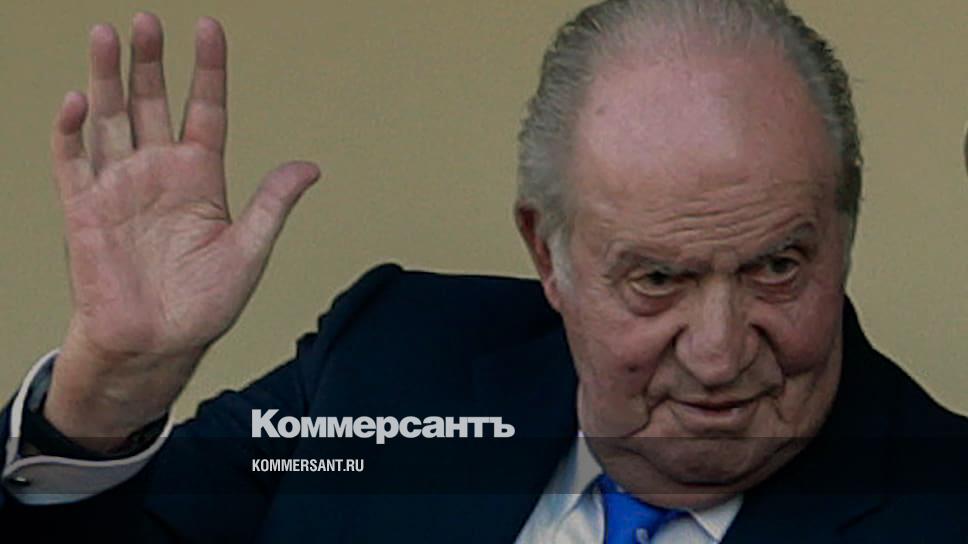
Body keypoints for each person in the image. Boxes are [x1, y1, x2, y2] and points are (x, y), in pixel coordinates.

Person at [1, 0, 966, 542]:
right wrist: (108, 395)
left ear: (843, 235)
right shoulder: (389, 375)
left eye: (777, 267)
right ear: (548, 254)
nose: (717, 356)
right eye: (657, 281)